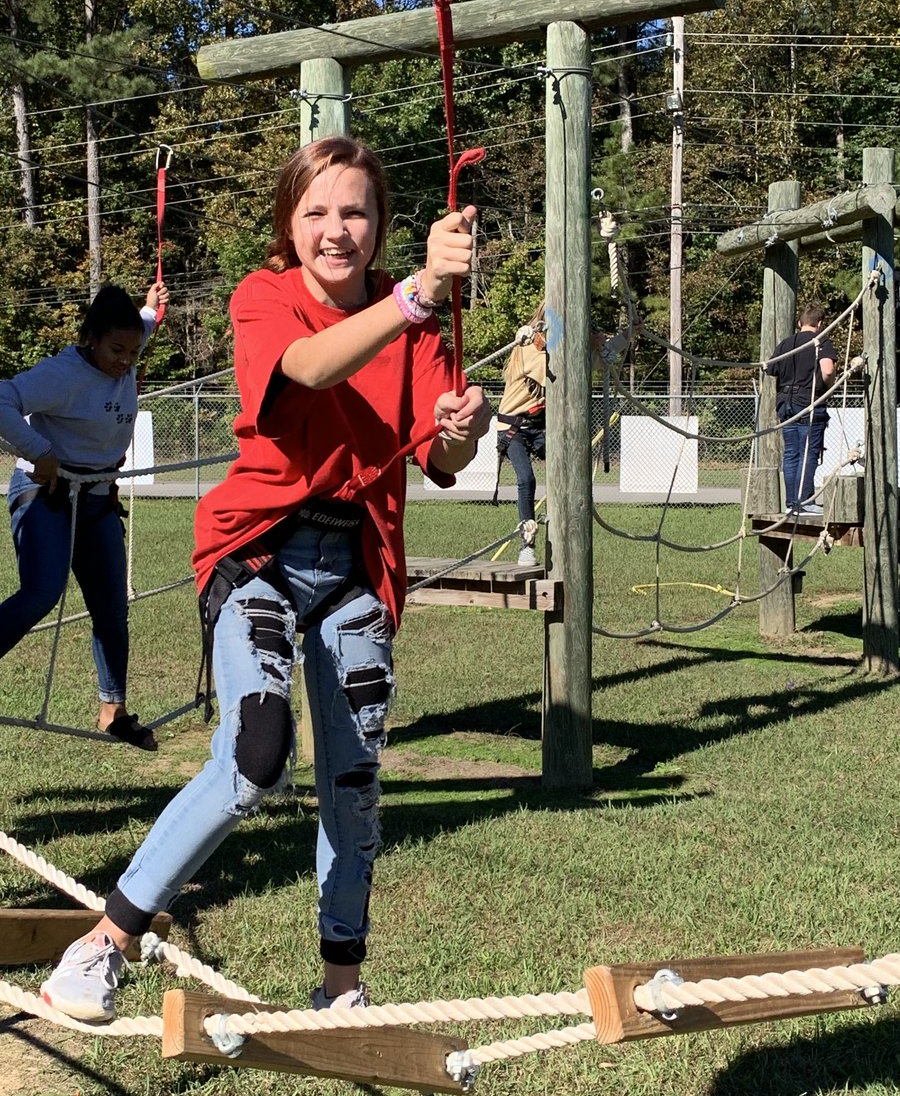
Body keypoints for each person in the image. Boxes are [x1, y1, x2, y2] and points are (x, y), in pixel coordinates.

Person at [39, 135, 491, 1023]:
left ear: (382, 223)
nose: (336, 229)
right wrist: (417, 295)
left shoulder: (423, 325)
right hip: (259, 557)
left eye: (355, 211)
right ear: (290, 221)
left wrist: (461, 421)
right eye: (316, 210)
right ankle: (101, 945)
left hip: (357, 568)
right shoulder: (266, 297)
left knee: (354, 784)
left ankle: (341, 989)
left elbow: (442, 455)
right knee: (255, 758)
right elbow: (308, 371)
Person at [0, 281, 169, 749]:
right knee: (42, 592)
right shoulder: (63, 374)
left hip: (96, 497)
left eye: (134, 352)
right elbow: (1, 400)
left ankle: (113, 711)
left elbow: (144, 325)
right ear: (91, 337)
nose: (126, 362)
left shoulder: (127, 341)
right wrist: (38, 450)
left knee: (113, 609)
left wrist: (151, 309)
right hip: (47, 491)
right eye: (117, 349)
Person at [766, 300, 836, 516]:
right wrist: (829, 386)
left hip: (785, 403)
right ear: (820, 323)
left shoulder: (785, 344)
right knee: (808, 453)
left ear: (799, 322)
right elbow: (827, 370)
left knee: (791, 454)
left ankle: (791, 502)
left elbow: (771, 369)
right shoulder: (821, 341)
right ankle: (804, 501)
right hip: (809, 403)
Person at [495, 303, 547, 565]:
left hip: (539, 426)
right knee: (526, 480)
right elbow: (558, 370)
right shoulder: (528, 350)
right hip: (513, 427)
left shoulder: (550, 352)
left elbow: (595, 359)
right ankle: (527, 544)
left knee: (571, 466)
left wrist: (624, 337)